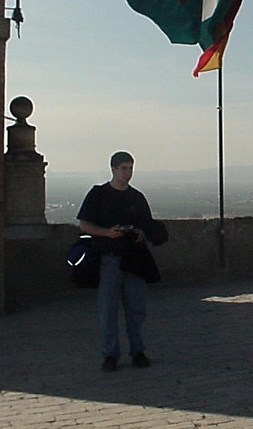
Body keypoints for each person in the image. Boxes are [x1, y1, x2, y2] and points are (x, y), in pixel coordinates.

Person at [77, 151, 165, 372]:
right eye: (124, 168)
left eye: (130, 168)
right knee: (108, 310)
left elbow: (148, 225)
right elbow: (84, 225)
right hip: (110, 260)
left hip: (134, 260)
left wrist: (142, 233)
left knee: (136, 310)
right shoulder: (98, 194)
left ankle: (138, 351)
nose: (128, 173)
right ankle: (110, 355)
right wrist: (107, 233)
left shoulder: (137, 197)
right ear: (113, 169)